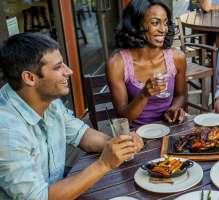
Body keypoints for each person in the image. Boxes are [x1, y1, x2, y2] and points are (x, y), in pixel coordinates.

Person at [0, 33, 144, 199]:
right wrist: (104, 164)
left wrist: (119, 146)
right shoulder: (7, 130)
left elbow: (82, 134)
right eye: (58, 67)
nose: (69, 71)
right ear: (29, 78)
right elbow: (37, 197)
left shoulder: (47, 99)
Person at [107, 0, 187, 128]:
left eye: (165, 23)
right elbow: (123, 117)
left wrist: (174, 108)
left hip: (170, 128)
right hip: (136, 136)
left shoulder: (177, 57)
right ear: (136, 24)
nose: (163, 29)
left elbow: (180, 95)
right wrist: (144, 94)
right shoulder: (117, 63)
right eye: (155, 23)